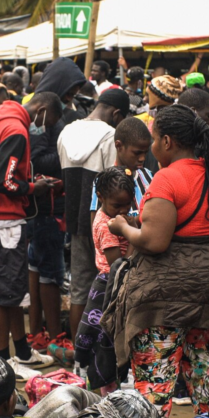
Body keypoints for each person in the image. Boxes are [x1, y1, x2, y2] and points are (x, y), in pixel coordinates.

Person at [101, 104, 209, 418]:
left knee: (155, 386)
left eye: (153, 140)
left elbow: (154, 241)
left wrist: (123, 226)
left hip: (165, 295)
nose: (151, 148)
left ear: (166, 141)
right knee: (207, 380)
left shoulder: (167, 178)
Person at [0, 93, 64, 374]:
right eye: (48, 122)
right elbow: (1, 180)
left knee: (7, 291)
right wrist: (34, 188)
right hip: (2, 220)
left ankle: (21, 352)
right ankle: (2, 360)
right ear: (42, 110)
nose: (43, 128)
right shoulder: (17, 130)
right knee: (1, 294)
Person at [58, 88, 130, 347]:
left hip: (76, 221)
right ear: (117, 114)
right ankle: (104, 350)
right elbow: (115, 180)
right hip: (106, 222)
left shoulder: (67, 131)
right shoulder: (111, 136)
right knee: (110, 285)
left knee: (80, 289)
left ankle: (80, 355)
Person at [26, 58, 88, 358]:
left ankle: (40, 332)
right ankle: (53, 336)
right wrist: (72, 158)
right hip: (48, 205)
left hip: (50, 205)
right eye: (71, 89)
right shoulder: (40, 116)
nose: (72, 96)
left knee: (39, 268)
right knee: (49, 271)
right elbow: (37, 158)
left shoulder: (56, 111)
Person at [77, 167, 135, 392]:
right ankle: (105, 393)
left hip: (114, 283)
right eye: (117, 206)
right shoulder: (106, 225)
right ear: (100, 197)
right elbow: (118, 265)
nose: (122, 210)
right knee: (105, 343)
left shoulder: (112, 217)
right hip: (108, 286)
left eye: (127, 205)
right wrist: (132, 235)